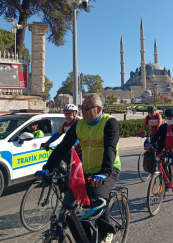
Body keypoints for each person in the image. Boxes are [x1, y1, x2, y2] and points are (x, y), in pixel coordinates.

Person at [35, 93, 121, 243]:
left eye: (87, 107)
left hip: (108, 169)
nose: (83, 110)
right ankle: (86, 238)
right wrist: (47, 168)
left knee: (98, 198)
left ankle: (107, 231)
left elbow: (110, 149)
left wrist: (104, 172)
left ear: (99, 109)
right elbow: (62, 148)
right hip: (85, 171)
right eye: (82, 107)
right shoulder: (79, 125)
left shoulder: (110, 123)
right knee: (70, 205)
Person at [145, 108, 173, 181]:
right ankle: (166, 181)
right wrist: (150, 145)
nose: (168, 120)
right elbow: (156, 136)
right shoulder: (163, 127)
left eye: (170, 118)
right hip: (166, 150)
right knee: (161, 164)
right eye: (167, 118)